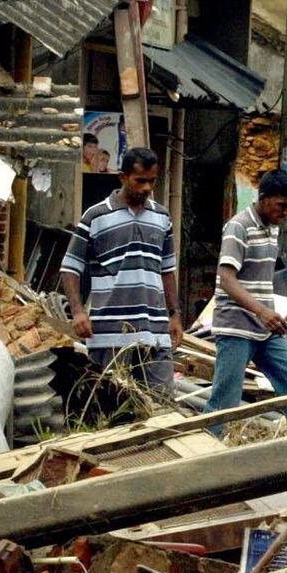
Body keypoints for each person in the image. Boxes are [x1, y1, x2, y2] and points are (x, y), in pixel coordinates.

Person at [61, 146, 182, 392]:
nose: (147, 188)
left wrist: (175, 314)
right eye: (140, 181)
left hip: (155, 332)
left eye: (152, 181)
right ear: (123, 177)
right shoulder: (95, 217)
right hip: (110, 334)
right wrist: (78, 312)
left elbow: (167, 270)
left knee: (162, 406)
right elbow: (70, 267)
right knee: (111, 406)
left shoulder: (162, 217)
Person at [204, 169, 287, 430]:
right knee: (225, 402)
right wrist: (262, 311)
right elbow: (226, 278)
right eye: (281, 206)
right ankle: (208, 453)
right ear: (264, 198)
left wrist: (272, 312)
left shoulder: (271, 228)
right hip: (236, 327)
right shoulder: (238, 226)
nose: (285, 213)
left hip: (266, 330)